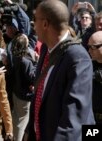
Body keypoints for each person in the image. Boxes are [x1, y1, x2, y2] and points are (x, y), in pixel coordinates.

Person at [27, 1, 95, 141]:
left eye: (35, 19)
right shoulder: (47, 50)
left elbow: (73, 120)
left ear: (45, 24)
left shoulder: (78, 58)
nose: (33, 25)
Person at [88, 31, 102, 125]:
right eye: (89, 47)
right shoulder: (89, 65)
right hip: (92, 119)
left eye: (93, 47)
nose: (89, 50)